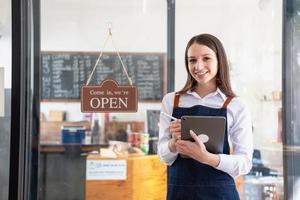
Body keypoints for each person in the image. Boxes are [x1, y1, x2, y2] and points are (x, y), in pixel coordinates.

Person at [158, 33, 253, 200]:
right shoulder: (171, 101)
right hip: (180, 193)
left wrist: (207, 158)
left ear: (219, 60)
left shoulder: (236, 105)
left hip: (220, 194)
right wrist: (173, 143)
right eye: (192, 60)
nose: (198, 66)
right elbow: (163, 157)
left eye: (206, 58)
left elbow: (244, 164)